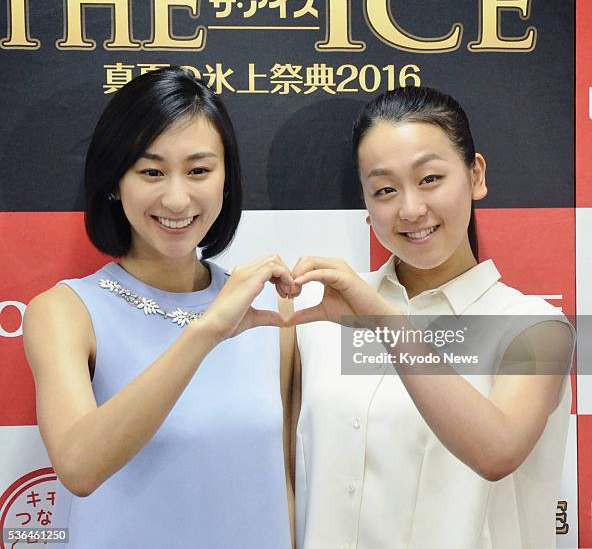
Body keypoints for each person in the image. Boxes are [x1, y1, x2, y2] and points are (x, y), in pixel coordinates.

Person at [288, 87, 575, 549]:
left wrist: (385, 320)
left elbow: (496, 450)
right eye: (384, 189)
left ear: (475, 174)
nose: (410, 209)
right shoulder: (320, 319)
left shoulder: (536, 327)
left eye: (429, 179)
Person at [23, 66, 297, 549]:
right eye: (151, 171)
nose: (177, 197)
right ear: (114, 181)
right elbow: (80, 467)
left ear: (226, 179)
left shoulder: (268, 312)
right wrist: (206, 329)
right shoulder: (65, 311)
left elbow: (284, 482)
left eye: (199, 170)